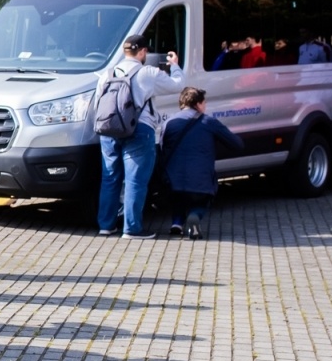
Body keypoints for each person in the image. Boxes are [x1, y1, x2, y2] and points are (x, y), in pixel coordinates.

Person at [96, 33, 184, 238]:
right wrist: (175, 66)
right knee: (135, 180)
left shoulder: (107, 73)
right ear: (143, 51)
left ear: (125, 51)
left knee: (110, 178)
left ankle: (106, 226)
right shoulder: (148, 73)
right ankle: (132, 229)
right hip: (139, 129)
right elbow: (177, 85)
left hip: (109, 130)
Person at [160, 87, 244, 240]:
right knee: (204, 195)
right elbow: (237, 145)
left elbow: (162, 148)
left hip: (171, 182)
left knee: (178, 196)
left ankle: (177, 224)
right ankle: (195, 215)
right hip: (200, 182)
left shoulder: (168, 123)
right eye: (204, 103)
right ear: (198, 104)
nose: (205, 107)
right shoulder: (209, 122)